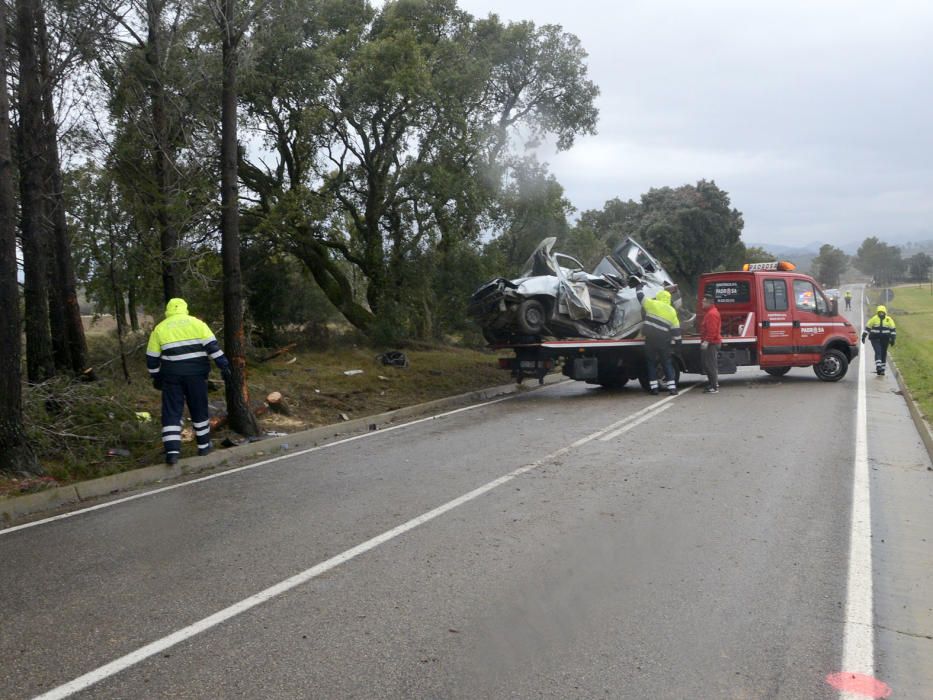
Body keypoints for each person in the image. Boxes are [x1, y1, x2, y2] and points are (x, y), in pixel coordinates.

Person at [146, 298, 232, 464]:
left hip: (171, 377)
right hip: (196, 376)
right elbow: (213, 348)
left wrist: (156, 376)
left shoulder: (160, 328)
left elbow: (151, 358)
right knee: (199, 408)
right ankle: (204, 446)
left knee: (171, 412)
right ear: (185, 308)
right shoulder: (197, 324)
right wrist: (224, 367)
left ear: (168, 310)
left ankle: (172, 452)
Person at [638, 287, 681, 395]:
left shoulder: (652, 304)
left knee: (651, 363)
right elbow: (676, 330)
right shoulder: (672, 311)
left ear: (658, 297)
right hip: (664, 342)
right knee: (666, 363)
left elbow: (640, 297)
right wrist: (678, 343)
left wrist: (638, 287)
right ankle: (672, 388)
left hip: (650, 340)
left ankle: (654, 389)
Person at [861, 304, 896, 376]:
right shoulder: (874, 319)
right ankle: (878, 366)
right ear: (877, 312)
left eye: (882, 312)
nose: (881, 313)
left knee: (883, 353)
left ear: (885, 312)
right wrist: (863, 336)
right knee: (878, 351)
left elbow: (893, 330)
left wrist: (893, 339)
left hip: (885, 339)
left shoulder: (889, 319)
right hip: (875, 339)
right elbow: (868, 328)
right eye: (880, 312)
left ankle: (882, 370)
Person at [699, 293, 722, 393]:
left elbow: (712, 330)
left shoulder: (711, 314)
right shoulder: (711, 312)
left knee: (710, 365)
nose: (702, 303)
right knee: (709, 364)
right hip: (712, 342)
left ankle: (714, 387)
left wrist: (706, 341)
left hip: (712, 343)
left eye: (703, 301)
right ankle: (713, 384)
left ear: (709, 302)